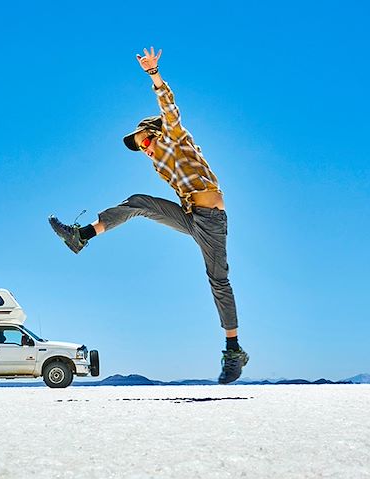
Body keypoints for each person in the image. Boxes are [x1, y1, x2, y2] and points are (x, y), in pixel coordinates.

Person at [48, 47, 249, 384]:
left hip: (212, 220)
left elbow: (169, 107)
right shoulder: (158, 164)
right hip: (190, 216)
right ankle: (80, 236)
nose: (143, 149)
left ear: (154, 133)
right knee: (139, 201)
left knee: (218, 281)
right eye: (139, 147)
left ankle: (234, 350)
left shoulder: (174, 136)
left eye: (143, 142)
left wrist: (153, 74)